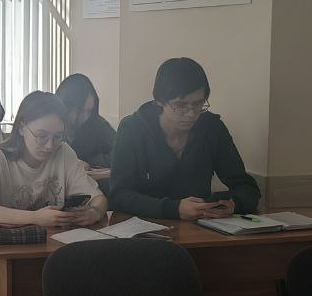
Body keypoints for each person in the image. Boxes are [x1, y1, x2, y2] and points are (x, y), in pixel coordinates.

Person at [109, 57, 261, 220]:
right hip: (145, 227)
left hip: (200, 227)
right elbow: (119, 196)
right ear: (159, 101)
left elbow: (247, 188)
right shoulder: (132, 129)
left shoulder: (211, 127)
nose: (191, 114)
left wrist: (234, 204)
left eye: (198, 104)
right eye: (180, 105)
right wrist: (173, 209)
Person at [0, 91, 106, 227]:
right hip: (10, 238)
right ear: (21, 128)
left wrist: (94, 212)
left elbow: (99, 198)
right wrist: (35, 218)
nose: (50, 145)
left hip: (53, 237)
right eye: (41, 136)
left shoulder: (63, 152)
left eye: (57, 137)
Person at [55, 73, 115, 168]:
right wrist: (73, 162)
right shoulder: (51, 125)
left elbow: (122, 151)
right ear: (66, 106)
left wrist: (90, 163)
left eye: (89, 111)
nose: (86, 116)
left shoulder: (97, 123)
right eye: (80, 111)